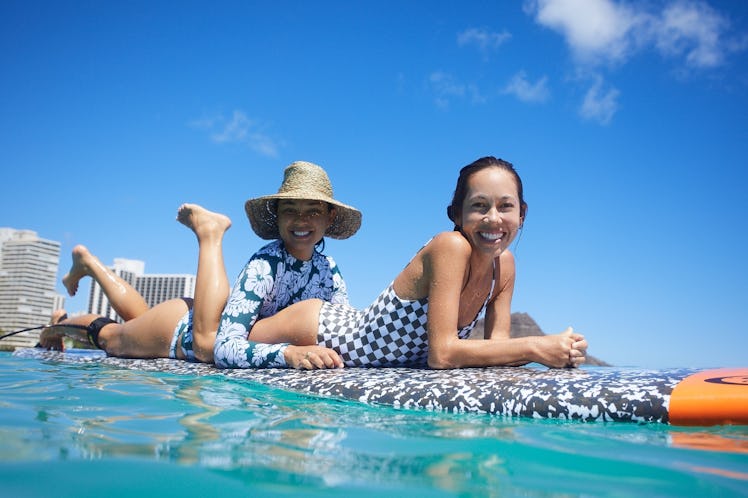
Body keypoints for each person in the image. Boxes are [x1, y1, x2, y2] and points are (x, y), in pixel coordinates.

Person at [223, 156, 588, 369]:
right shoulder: (450, 247)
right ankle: (210, 240)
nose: (494, 218)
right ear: (456, 214)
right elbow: (442, 354)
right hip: (323, 327)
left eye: (505, 206)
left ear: (521, 214)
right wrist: (538, 347)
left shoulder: (504, 267)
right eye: (479, 205)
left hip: (345, 330)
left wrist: (560, 352)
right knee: (213, 344)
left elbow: (498, 348)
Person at [40, 161, 360, 369]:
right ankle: (56, 325)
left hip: (203, 317)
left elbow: (337, 331)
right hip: (182, 332)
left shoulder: (330, 272)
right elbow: (219, 349)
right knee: (113, 337)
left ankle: (89, 265)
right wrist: (287, 353)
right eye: (290, 209)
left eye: (313, 211)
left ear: (330, 217)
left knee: (137, 317)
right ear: (277, 215)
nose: (301, 220)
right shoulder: (266, 264)